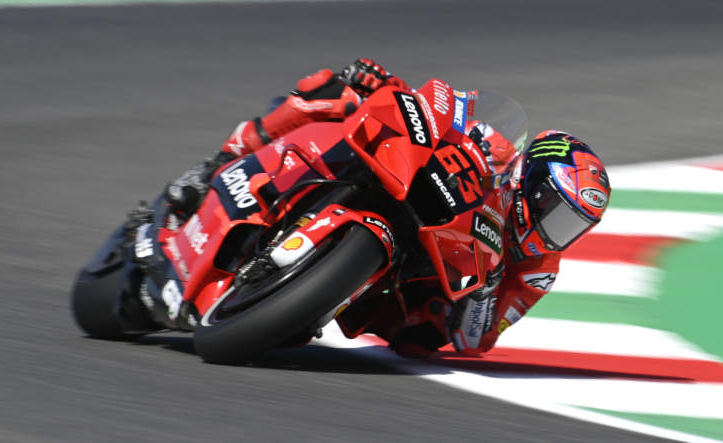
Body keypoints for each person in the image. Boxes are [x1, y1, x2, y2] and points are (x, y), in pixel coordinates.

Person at [163, 58, 611, 357]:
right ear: (530, 182)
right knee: (332, 93)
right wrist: (387, 87)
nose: (557, 230)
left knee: (423, 334)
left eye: (572, 225)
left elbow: (477, 340)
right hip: (410, 191)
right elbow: (443, 113)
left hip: (423, 279)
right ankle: (219, 162)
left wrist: (485, 288)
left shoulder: (538, 269)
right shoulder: (496, 148)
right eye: (555, 210)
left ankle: (314, 295)